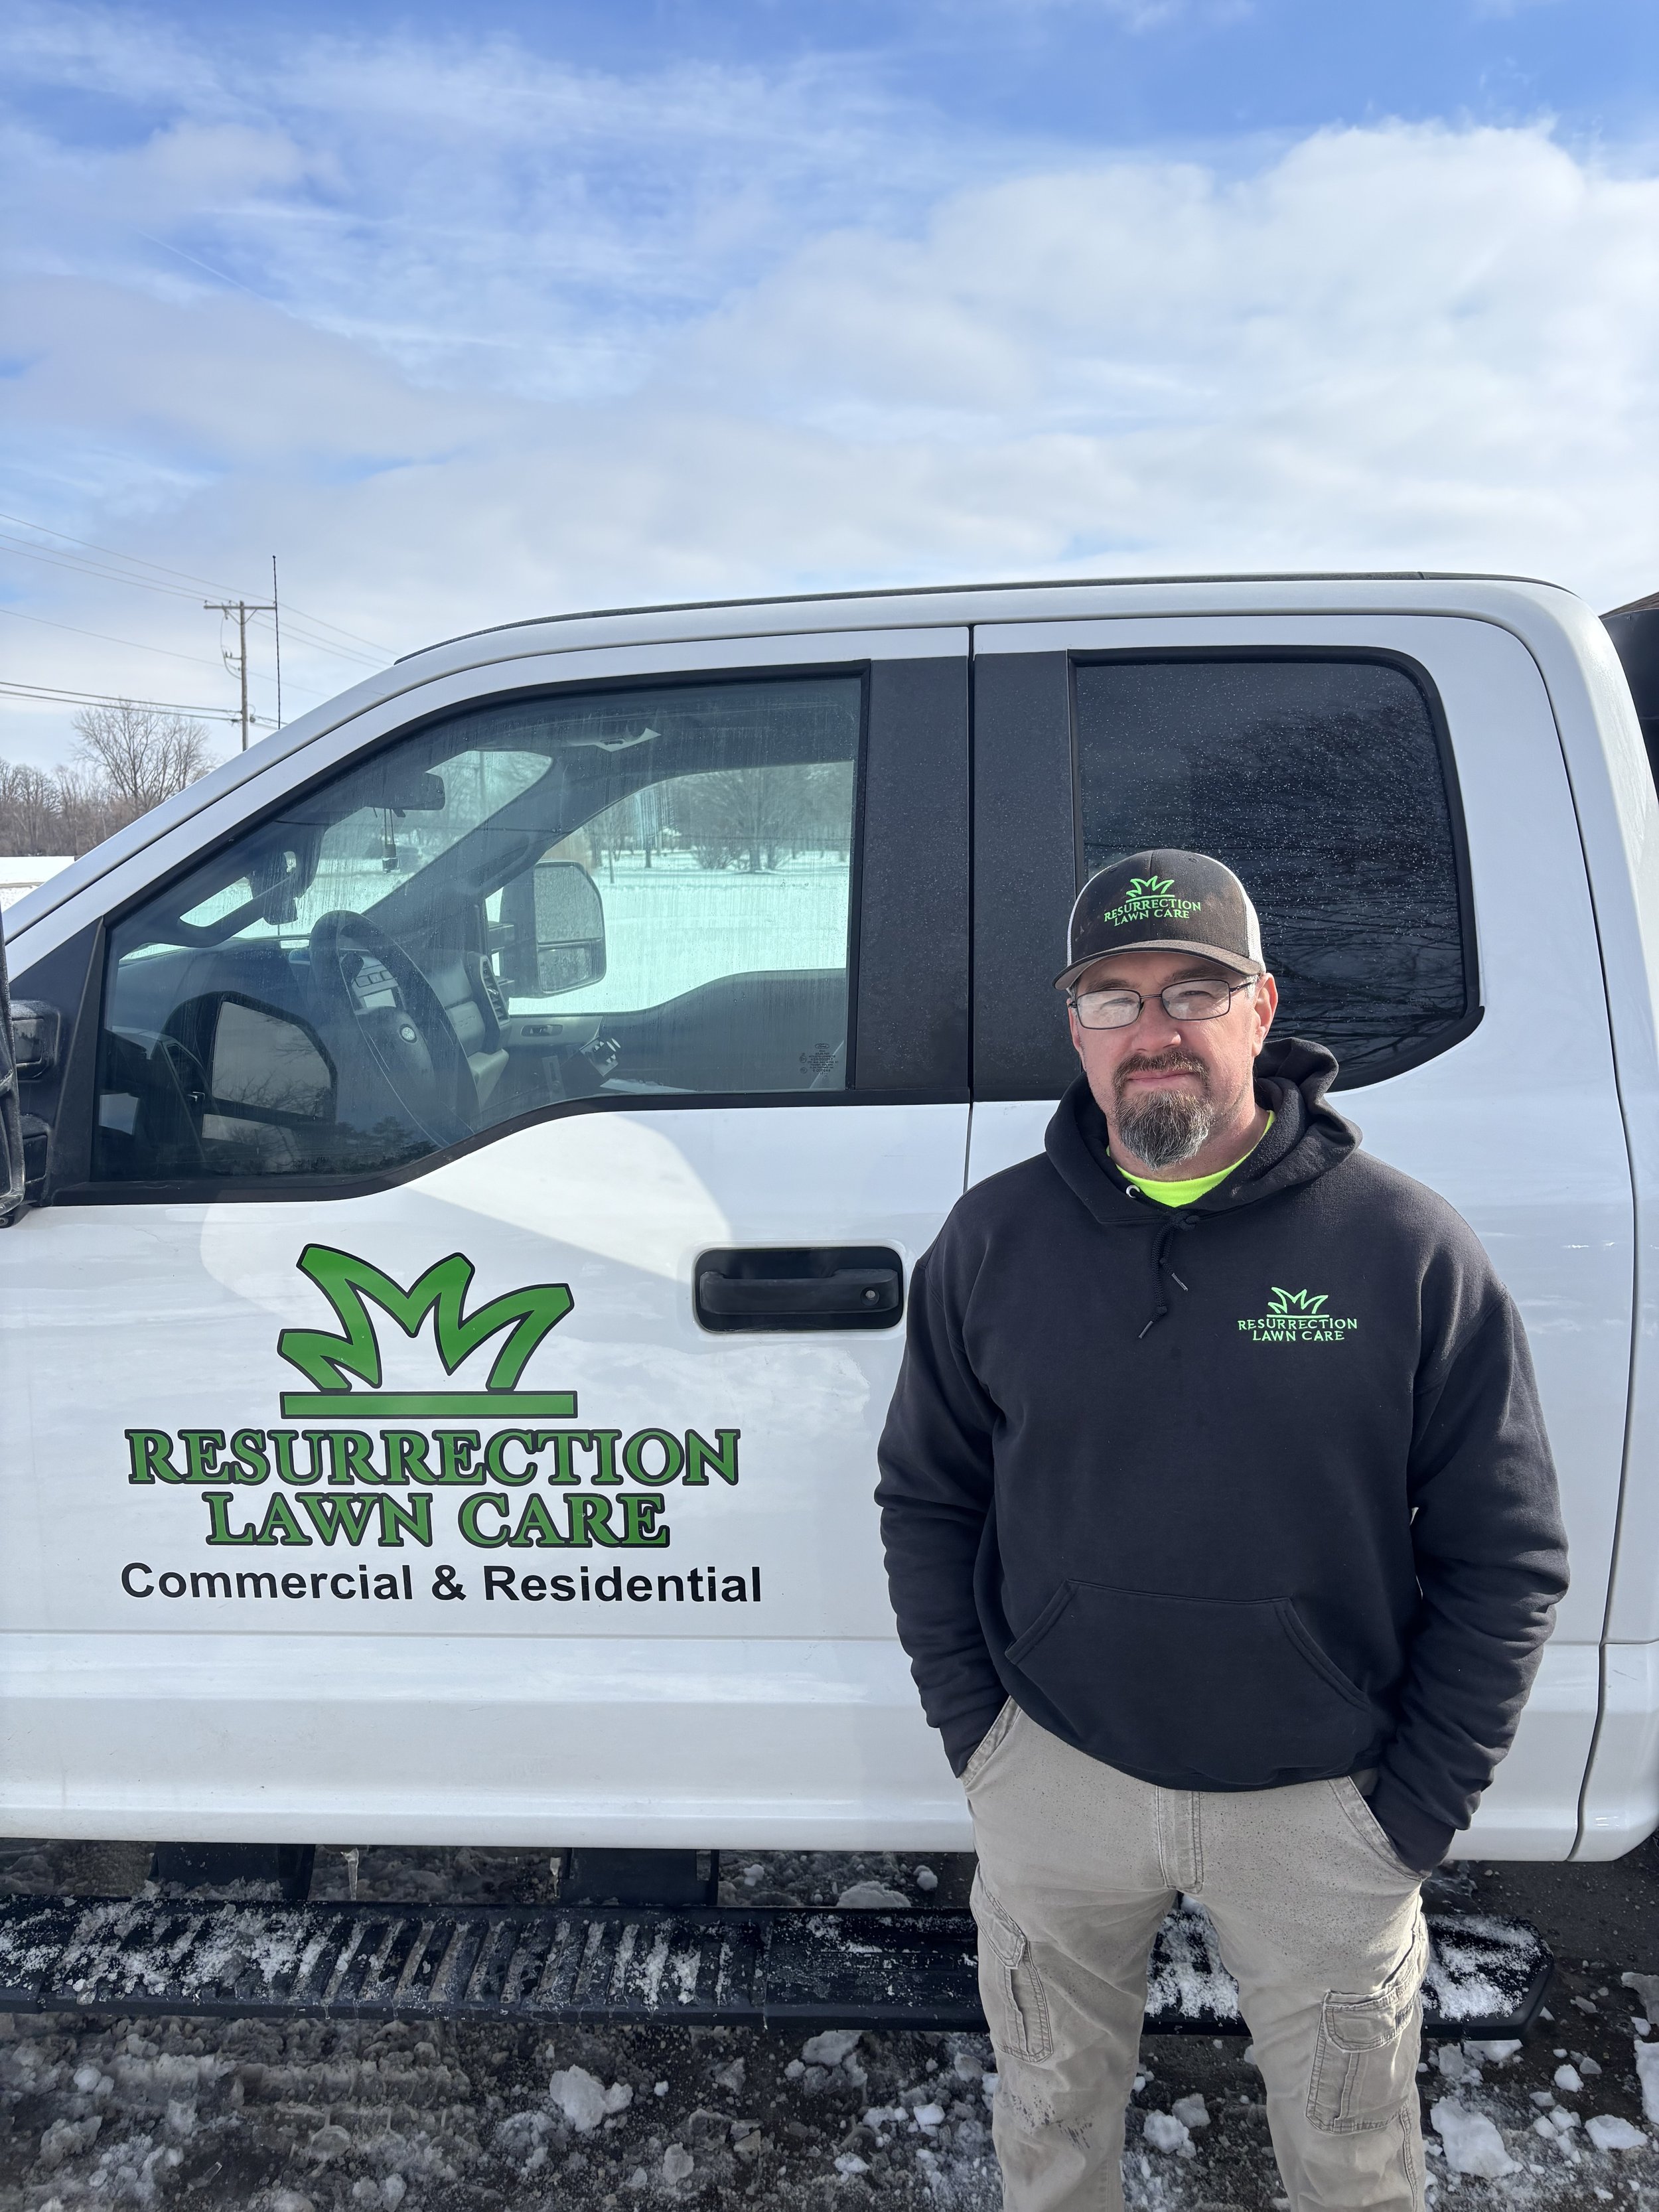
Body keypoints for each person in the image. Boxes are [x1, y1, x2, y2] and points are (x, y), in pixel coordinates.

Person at [875, 848, 1567, 2212]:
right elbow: (926, 1494)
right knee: (1049, 2141)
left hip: (1320, 1809)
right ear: (1072, 1028)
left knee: (1352, 2169)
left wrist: (1410, 1809)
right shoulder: (992, 1241)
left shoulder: (1404, 1250)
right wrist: (984, 1736)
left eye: (1194, 987)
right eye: (1112, 997)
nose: (1154, 1029)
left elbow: (1504, 1554)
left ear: (1261, 1010)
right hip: (1056, 1782)